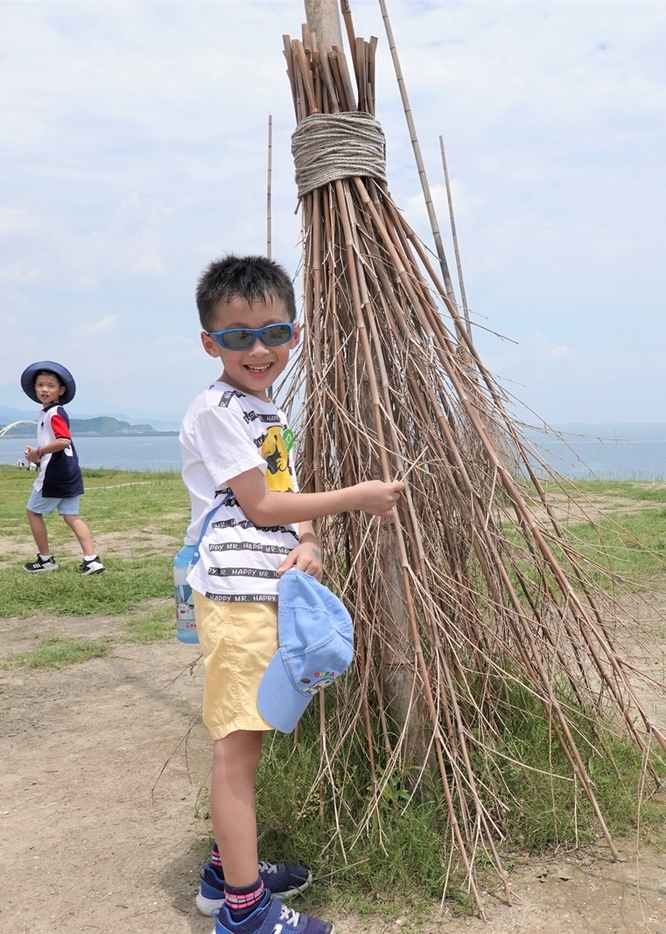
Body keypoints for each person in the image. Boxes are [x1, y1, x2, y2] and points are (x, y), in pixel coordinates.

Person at [181, 254, 405, 934]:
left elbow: (284, 496)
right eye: (238, 336)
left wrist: (309, 540)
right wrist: (356, 501)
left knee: (252, 734)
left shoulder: (262, 410)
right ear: (209, 343)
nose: (258, 349)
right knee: (237, 747)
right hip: (237, 596)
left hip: (266, 593)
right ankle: (246, 915)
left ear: (295, 333)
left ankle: (226, 878)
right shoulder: (218, 409)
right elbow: (259, 505)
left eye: (273, 332)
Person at [19, 361, 104, 574]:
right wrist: (37, 457)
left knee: (33, 512)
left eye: (50, 385)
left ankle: (45, 559)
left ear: (61, 390)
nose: (44, 389)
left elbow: (64, 440)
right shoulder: (49, 413)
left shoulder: (54, 413)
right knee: (71, 515)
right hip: (69, 471)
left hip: (56, 474)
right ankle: (91, 559)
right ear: (34, 388)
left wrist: (39, 452)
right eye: (40, 385)